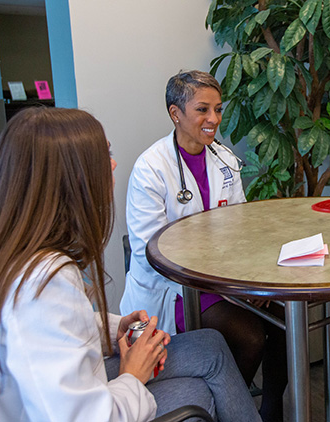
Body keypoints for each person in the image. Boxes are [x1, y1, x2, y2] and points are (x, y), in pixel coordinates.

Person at [0, 107, 261, 421]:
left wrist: (109, 328)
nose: (114, 164)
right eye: (104, 156)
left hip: (48, 396)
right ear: (72, 179)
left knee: (210, 346)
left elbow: (43, 339)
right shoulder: (42, 284)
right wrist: (132, 375)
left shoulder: (4, 254)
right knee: (196, 394)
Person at [120, 70, 287, 421]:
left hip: (223, 280)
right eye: (202, 110)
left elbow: (240, 228)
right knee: (251, 336)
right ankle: (226, 408)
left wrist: (249, 280)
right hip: (176, 288)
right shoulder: (151, 168)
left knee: (285, 318)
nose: (213, 119)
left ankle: (270, 409)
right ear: (175, 113)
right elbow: (149, 252)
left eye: (218, 109)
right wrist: (225, 282)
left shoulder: (224, 160)